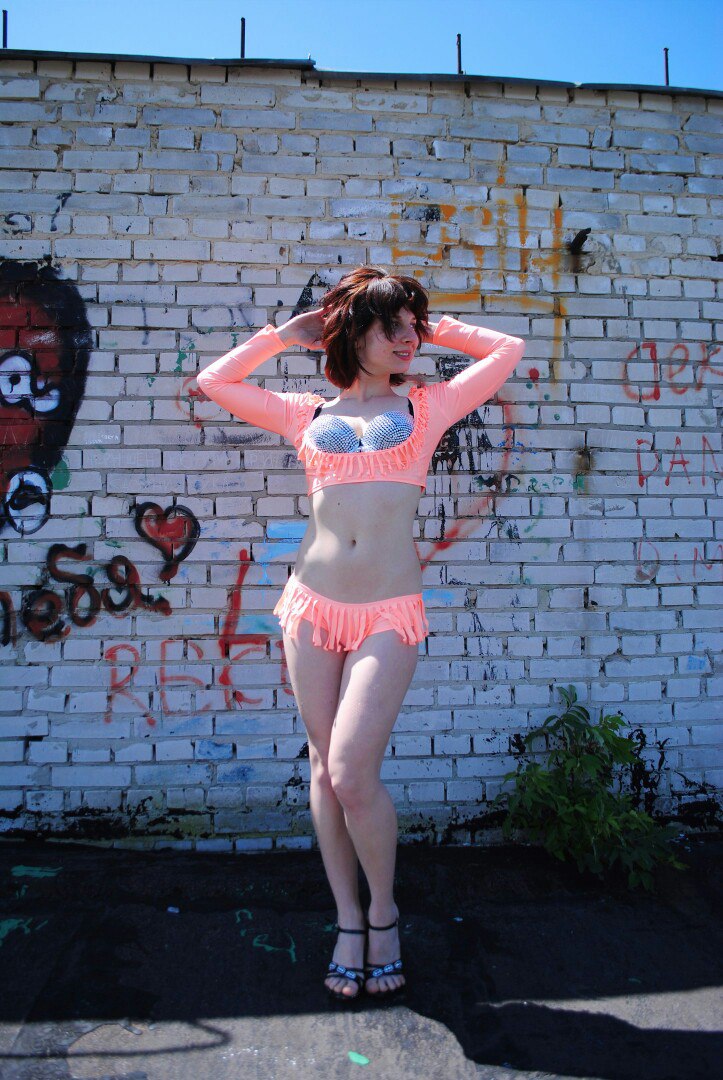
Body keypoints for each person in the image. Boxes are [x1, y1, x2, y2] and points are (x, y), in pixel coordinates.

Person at [196, 266, 525, 1004]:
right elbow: (215, 381)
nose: (408, 339)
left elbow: (507, 348)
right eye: (391, 327)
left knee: (350, 772)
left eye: (413, 327)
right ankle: (347, 918)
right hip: (312, 608)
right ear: (352, 332)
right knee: (323, 771)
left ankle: (384, 912)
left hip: (387, 612)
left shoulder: (431, 404)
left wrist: (430, 324)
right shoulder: (305, 413)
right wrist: (284, 336)